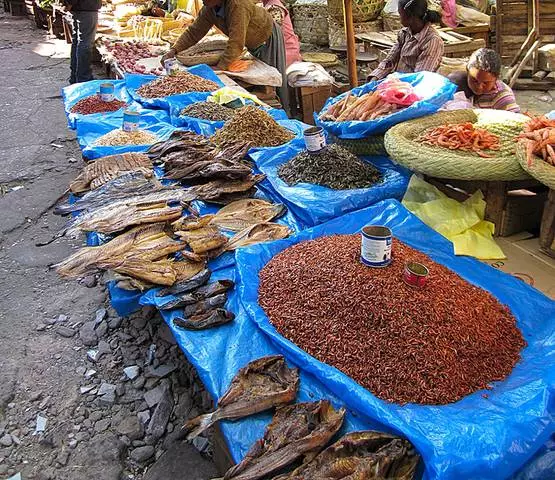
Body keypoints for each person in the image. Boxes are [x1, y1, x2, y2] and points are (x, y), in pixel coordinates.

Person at [161, 0, 290, 110]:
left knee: (273, 79)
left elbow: (236, 42)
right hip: (251, 41)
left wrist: (220, 67)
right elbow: (194, 32)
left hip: (266, 36)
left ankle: (285, 111)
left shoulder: (237, 5)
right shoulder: (210, 8)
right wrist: (174, 50)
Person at [368, 0, 444, 81]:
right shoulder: (404, 33)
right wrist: (375, 77)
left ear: (410, 17)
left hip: (414, 87)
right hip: (398, 84)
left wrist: (394, 84)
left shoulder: (432, 41)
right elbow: (390, 60)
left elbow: (419, 78)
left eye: (400, 14)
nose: (399, 16)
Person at [448, 48, 521, 113]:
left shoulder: (503, 98)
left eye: (486, 83)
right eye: (474, 81)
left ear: (496, 78)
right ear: (467, 72)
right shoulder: (459, 82)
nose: (479, 87)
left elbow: (516, 119)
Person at [65, 0, 101, 84]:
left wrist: (69, 4)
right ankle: (83, 78)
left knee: (77, 42)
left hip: (79, 8)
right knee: (85, 43)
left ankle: (75, 77)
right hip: (87, 8)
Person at [261, 0, 301, 67]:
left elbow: (270, 31)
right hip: (284, 50)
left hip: (285, 52)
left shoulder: (275, 8)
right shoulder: (269, 5)